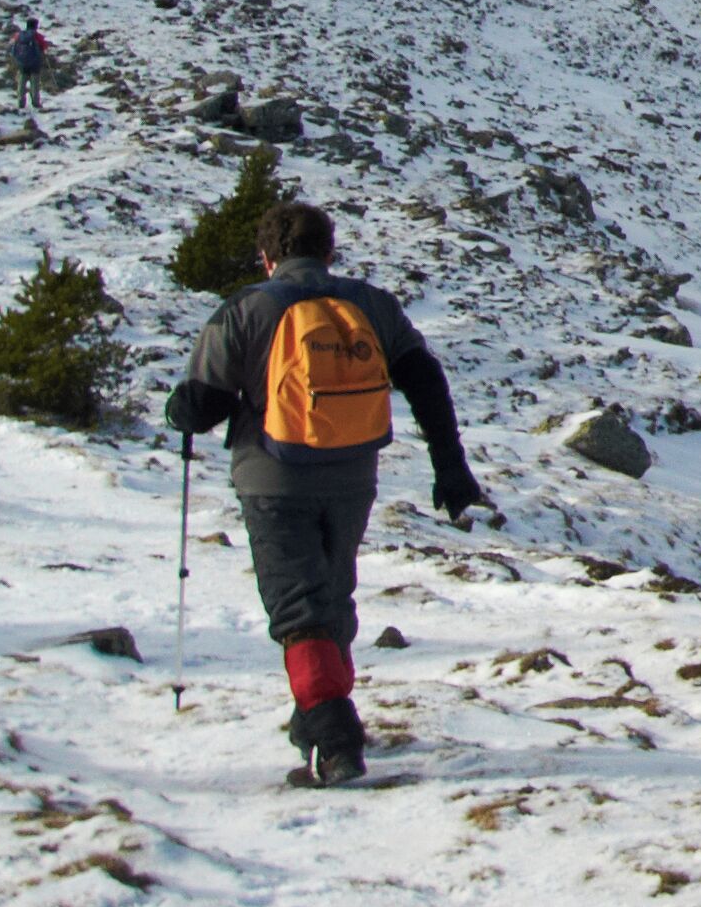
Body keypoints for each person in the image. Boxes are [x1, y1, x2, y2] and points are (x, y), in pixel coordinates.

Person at [165, 199, 485, 786]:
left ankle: (335, 738)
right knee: (332, 597)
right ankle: (313, 716)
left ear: (267, 258)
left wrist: (181, 407)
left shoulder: (244, 309)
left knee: (298, 610)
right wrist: (451, 468)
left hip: (272, 480)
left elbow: (204, 406)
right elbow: (425, 380)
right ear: (329, 251)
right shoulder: (372, 305)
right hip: (353, 477)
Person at [5, 14, 41, 118]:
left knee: (21, 82)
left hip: (22, 63)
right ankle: (35, 102)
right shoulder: (36, 36)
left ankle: (21, 102)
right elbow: (43, 46)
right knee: (35, 83)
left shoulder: (19, 35)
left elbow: (13, 47)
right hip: (34, 63)